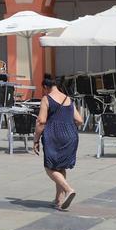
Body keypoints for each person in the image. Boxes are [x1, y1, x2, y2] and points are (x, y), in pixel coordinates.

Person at [33, 74, 83, 210]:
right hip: (71, 136)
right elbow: (79, 120)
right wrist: (66, 124)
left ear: (45, 87)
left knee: (49, 168)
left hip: (54, 136)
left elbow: (41, 121)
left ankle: (68, 189)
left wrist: (36, 140)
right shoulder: (68, 99)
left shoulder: (46, 99)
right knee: (60, 167)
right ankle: (59, 200)